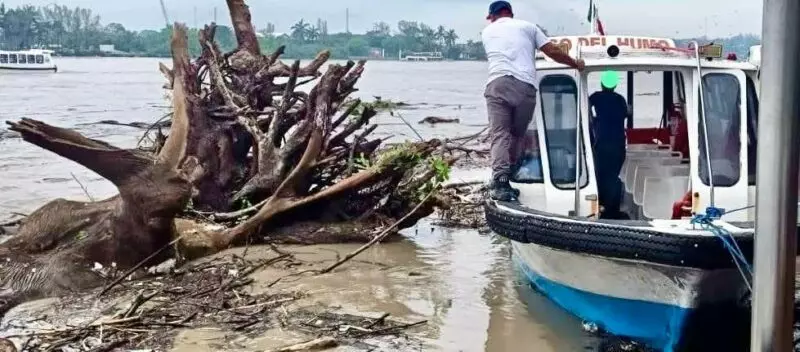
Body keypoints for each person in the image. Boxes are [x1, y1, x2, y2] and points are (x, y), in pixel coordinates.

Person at [482, 1, 585, 202]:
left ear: (493, 16)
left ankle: (501, 180)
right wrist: (575, 63)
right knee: (517, 134)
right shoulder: (528, 27)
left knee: (499, 134)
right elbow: (552, 52)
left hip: (497, 84)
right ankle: (512, 169)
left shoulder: (487, 32)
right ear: (510, 13)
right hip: (524, 86)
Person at [588, 71, 629, 218]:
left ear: (602, 84)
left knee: (601, 175)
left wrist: (594, 120)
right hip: (618, 144)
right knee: (615, 176)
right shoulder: (620, 99)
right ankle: (614, 210)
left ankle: (602, 207)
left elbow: (584, 107)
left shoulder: (596, 97)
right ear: (615, 85)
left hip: (602, 143)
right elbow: (626, 114)